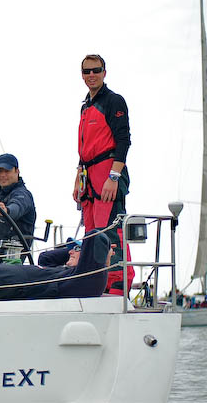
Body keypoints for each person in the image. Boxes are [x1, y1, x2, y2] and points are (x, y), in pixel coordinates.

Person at [73, 54, 134, 295]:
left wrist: (114, 177)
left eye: (96, 70)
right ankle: (99, 281)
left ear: (104, 72)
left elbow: (123, 140)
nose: (91, 75)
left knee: (111, 230)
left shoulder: (113, 101)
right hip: (89, 176)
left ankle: (119, 282)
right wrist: (78, 178)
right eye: (86, 71)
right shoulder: (85, 106)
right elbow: (84, 148)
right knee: (92, 233)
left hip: (107, 172)